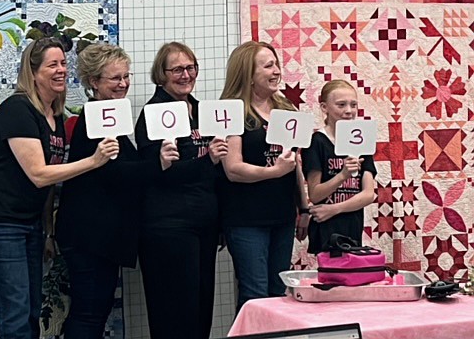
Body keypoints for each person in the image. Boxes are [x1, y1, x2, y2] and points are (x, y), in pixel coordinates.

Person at [0, 38, 119, 339]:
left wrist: (47, 231)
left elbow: (47, 185)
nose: (61, 70)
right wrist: (95, 160)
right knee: (16, 314)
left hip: (27, 220)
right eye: (52, 65)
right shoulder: (18, 110)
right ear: (33, 72)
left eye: (63, 63)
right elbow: (39, 174)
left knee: (32, 310)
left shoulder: (54, 116)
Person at [56, 43, 152, 339]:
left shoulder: (112, 117)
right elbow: (116, 173)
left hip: (99, 237)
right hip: (89, 238)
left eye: (126, 76)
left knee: (93, 310)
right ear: (94, 82)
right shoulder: (98, 118)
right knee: (89, 312)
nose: (123, 84)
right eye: (115, 78)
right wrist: (159, 164)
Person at [134, 42, 228, 339]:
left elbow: (216, 175)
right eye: (177, 69)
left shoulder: (203, 111)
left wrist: (222, 221)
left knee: (201, 310)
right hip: (170, 227)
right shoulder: (153, 113)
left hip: (204, 224)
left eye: (190, 68)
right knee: (175, 314)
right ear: (161, 75)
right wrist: (207, 159)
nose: (185, 75)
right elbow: (159, 175)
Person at [219, 40, 309, 311]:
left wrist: (303, 206)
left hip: (282, 216)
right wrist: (274, 172)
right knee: (255, 295)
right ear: (248, 73)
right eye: (268, 65)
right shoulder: (233, 109)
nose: (276, 71)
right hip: (247, 219)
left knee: (278, 294)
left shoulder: (284, 107)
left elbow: (296, 163)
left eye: (276, 64)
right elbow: (233, 169)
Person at [300, 79, 377, 254]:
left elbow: (368, 194)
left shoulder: (362, 141)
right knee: (330, 277)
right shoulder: (316, 142)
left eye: (353, 105)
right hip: (326, 229)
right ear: (324, 107)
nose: (349, 111)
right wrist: (342, 175)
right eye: (341, 105)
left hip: (351, 225)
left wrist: (334, 209)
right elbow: (315, 194)